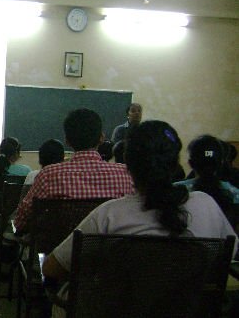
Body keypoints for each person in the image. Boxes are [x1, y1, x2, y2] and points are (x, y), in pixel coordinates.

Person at [43, 121, 238, 318]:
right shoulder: (207, 205)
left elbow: (52, 267)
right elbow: (227, 257)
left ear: (128, 163)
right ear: (176, 161)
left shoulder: (110, 214)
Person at [13, 108, 134, 233]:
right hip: (107, 251)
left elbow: (20, 221)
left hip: (55, 249)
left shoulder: (48, 175)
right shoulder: (125, 174)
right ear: (102, 137)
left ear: (67, 140)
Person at [174, 135, 239, 231]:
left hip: (184, 246)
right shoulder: (235, 194)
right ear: (221, 163)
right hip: (223, 245)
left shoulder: (175, 191)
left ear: (190, 163)